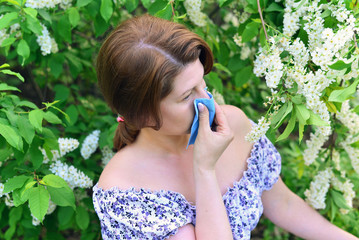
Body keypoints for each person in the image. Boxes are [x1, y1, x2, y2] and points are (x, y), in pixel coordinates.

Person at [92, 14, 358, 240]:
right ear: (141, 114)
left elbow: (281, 202)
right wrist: (204, 169)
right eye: (187, 96)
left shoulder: (234, 123)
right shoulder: (124, 190)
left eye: (203, 84)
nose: (206, 100)